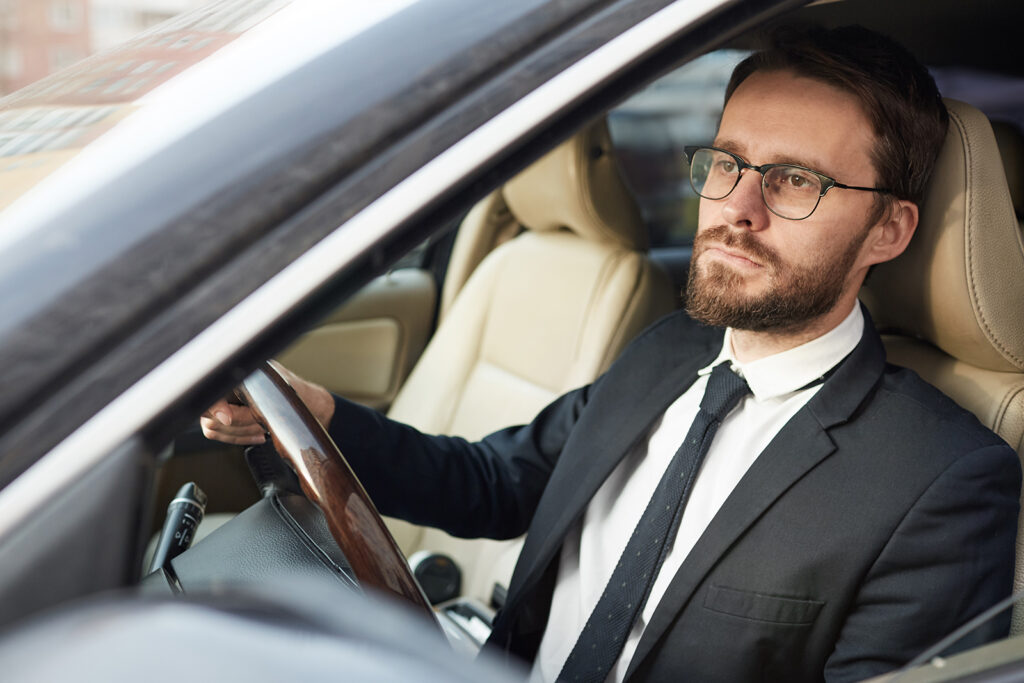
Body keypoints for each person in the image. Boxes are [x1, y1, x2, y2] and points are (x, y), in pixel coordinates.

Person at [202, 26, 1020, 683]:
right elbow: (498, 484)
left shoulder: (945, 480)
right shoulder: (671, 349)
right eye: (727, 163)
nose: (736, 208)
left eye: (796, 180)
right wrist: (322, 417)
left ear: (889, 230)